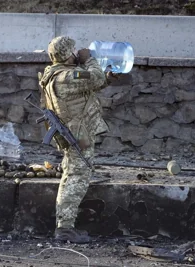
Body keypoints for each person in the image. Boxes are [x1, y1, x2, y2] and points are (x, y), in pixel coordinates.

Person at [38, 36, 117, 243]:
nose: (77, 54)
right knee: (77, 178)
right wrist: (89, 59)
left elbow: (89, 85)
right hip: (78, 133)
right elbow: (92, 78)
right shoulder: (66, 76)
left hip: (74, 129)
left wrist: (105, 78)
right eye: (74, 51)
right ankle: (64, 229)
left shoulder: (55, 73)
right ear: (67, 54)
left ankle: (65, 227)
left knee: (72, 174)